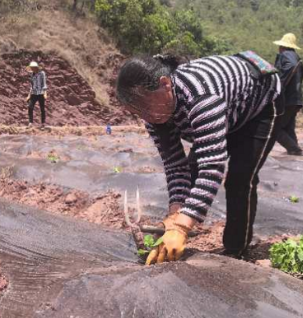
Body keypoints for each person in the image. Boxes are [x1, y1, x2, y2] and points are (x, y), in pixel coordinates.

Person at [116, 53, 281, 265]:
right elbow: (175, 166)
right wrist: (175, 214)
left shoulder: (201, 99)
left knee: (240, 178)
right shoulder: (154, 115)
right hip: (225, 110)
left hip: (259, 104)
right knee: (191, 170)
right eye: (137, 112)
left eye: (146, 107)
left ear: (165, 84)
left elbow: (212, 167)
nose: (146, 117)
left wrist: (182, 226)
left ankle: (236, 250)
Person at [273, 33, 303, 156]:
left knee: (275, 129)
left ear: (282, 46)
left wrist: (278, 84)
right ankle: (294, 151)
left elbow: (289, 67)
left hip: (287, 99)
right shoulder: (297, 57)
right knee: (288, 128)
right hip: (296, 100)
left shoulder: (285, 55)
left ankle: (294, 149)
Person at [26, 61, 48, 128]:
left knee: (42, 109)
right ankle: (30, 123)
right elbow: (32, 86)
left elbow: (44, 83)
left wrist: (45, 93)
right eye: (31, 68)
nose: (32, 69)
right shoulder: (31, 74)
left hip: (41, 93)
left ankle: (43, 123)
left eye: (33, 67)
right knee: (30, 107)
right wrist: (29, 95)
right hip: (34, 93)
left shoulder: (42, 73)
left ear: (36, 67)